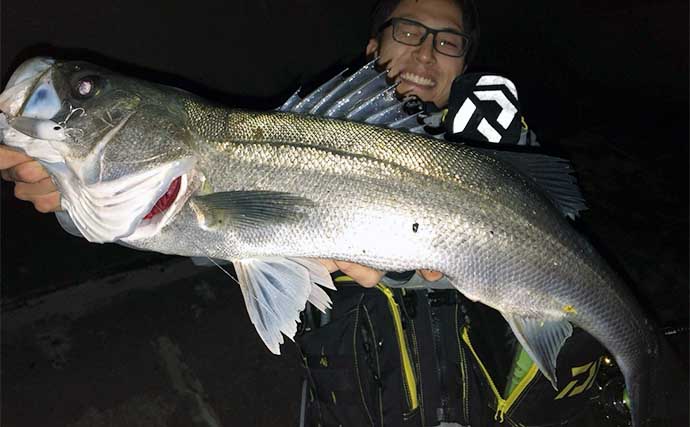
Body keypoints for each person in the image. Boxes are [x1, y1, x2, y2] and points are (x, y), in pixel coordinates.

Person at [1, 1, 608, 426]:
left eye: (446, 41)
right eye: (408, 31)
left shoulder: (497, 151)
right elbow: (204, 234)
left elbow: (521, 267)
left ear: (463, 65)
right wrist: (72, 201)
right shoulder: (299, 133)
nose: (425, 52)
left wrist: (424, 273)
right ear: (373, 48)